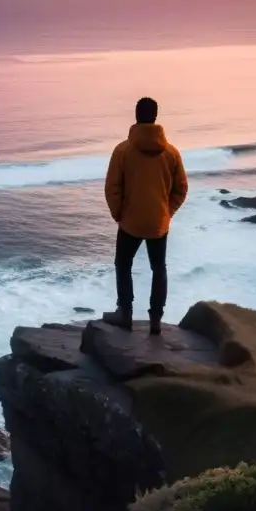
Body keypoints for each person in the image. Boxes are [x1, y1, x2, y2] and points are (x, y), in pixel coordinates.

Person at [102, 97, 188, 335]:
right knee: (159, 268)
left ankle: (125, 313)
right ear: (155, 117)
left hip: (130, 221)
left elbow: (112, 188)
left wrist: (119, 214)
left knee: (122, 263)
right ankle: (156, 320)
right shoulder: (171, 153)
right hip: (159, 222)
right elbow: (181, 188)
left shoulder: (123, 151)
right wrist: (167, 212)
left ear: (136, 115)